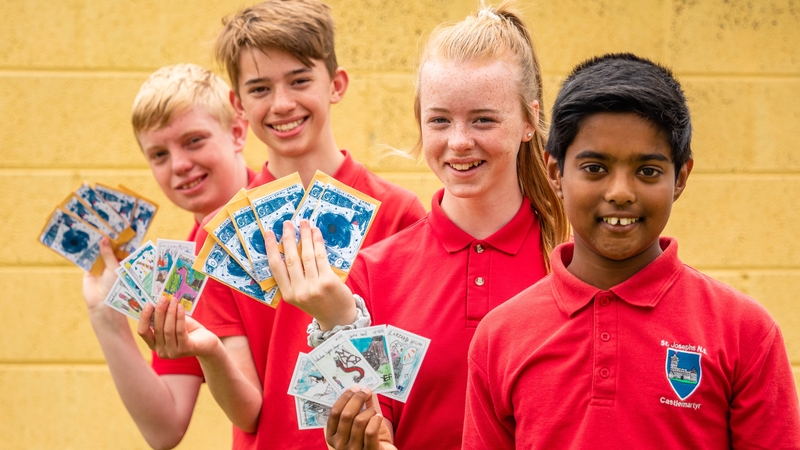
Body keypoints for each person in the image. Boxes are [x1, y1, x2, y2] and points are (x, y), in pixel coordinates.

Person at [266, 3, 570, 449]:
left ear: (529, 120)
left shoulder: (572, 264)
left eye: (483, 118)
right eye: (440, 120)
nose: (459, 141)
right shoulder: (374, 273)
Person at [462, 53, 800, 449]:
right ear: (556, 172)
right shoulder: (500, 336)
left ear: (681, 178)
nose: (620, 192)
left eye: (648, 171)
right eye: (594, 168)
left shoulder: (744, 332)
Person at [135, 1, 426, 449]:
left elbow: (410, 380)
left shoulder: (398, 214)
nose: (282, 103)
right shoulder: (220, 233)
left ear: (336, 84)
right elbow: (249, 410)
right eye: (260, 88)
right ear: (238, 105)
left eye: (300, 80)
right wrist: (207, 350)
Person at [81, 63, 253, 449]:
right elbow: (165, 428)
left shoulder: (298, 211)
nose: (179, 165)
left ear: (238, 132)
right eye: (159, 154)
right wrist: (105, 318)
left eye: (193, 141)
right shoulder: (183, 274)